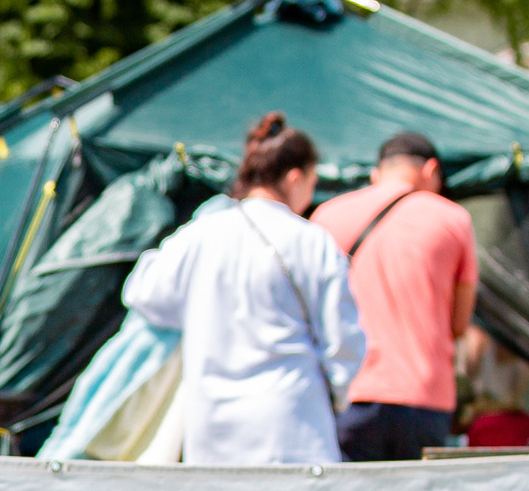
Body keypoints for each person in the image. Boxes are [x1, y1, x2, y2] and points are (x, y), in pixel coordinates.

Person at [122, 112, 366, 465]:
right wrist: (338, 394)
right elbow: (343, 340)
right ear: (295, 178)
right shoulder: (312, 241)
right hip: (292, 422)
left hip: (212, 422)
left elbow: (142, 293)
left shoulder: (201, 234)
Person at [311, 130, 479, 462]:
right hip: (425, 396)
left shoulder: (326, 216)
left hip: (349, 391)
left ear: (376, 174)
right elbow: (460, 324)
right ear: (431, 171)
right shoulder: (454, 219)